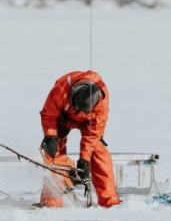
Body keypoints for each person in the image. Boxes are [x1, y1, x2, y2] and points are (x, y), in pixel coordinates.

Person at [38, 70, 122, 208]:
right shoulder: (61, 89)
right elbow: (49, 114)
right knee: (51, 153)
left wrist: (84, 160)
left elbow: (93, 136)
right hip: (62, 119)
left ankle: (110, 201)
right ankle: (52, 201)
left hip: (88, 123)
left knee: (98, 152)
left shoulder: (101, 104)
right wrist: (51, 136)